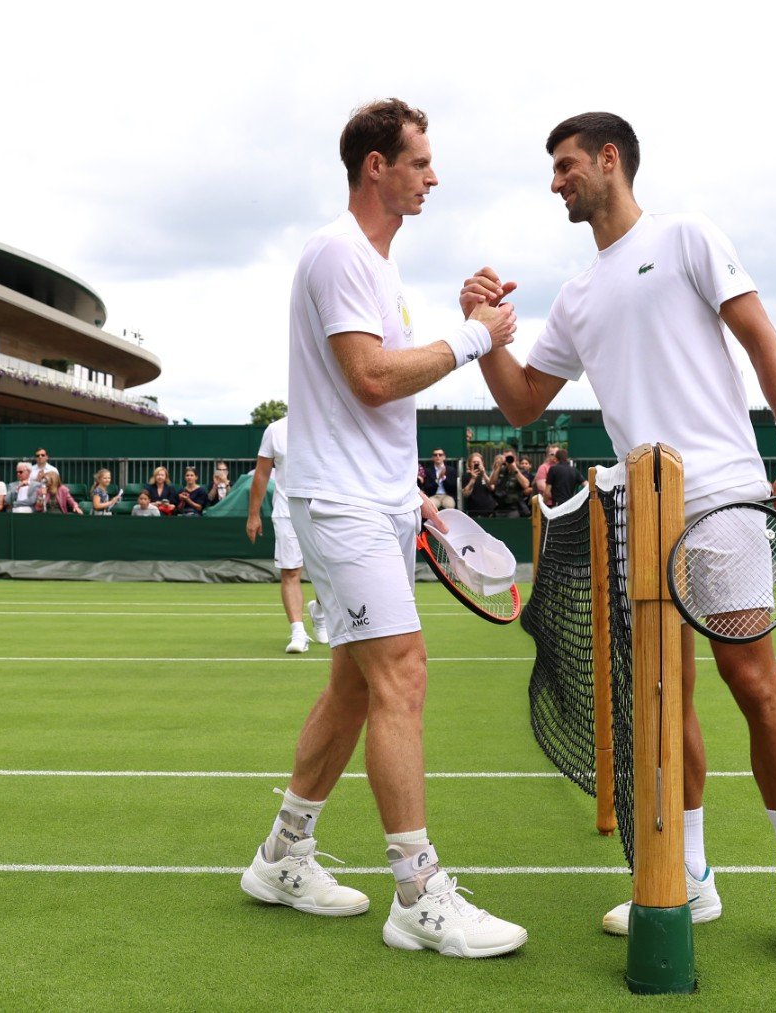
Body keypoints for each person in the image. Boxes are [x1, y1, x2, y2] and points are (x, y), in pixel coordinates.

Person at [465, 110, 776, 973]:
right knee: (665, 701)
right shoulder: (573, 296)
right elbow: (524, 401)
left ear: (610, 159)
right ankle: (693, 874)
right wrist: (486, 332)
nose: (556, 180)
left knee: (752, 681)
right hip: (640, 512)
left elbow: (760, 337)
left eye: (566, 164)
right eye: (552, 170)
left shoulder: (687, 236)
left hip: (721, 500)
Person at [242, 98, 526, 959]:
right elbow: (368, 378)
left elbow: (366, 409)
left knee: (357, 685)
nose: (432, 175)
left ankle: (283, 854)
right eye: (419, 161)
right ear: (377, 166)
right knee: (402, 672)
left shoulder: (373, 267)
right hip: (341, 508)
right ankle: (418, 891)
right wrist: (473, 338)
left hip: (376, 501)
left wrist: (419, 497)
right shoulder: (337, 252)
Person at [248, 415, 326, 654]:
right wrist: (253, 514)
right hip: (286, 511)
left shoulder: (333, 423)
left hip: (328, 511)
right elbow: (261, 473)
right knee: (291, 571)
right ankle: (298, 632)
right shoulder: (276, 429)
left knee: (332, 571)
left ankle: (320, 612)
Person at [458, 452, 499, 516]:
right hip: (474, 510)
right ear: (469, 464)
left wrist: (484, 474)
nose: (476, 464)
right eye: (474, 462)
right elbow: (465, 494)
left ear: (482, 463)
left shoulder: (487, 474)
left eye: (478, 462)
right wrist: (473, 479)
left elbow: (492, 488)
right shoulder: (466, 476)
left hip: (489, 509)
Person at [491, 452, 532, 516]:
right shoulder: (501, 470)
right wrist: (498, 467)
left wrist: (514, 468)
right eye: (506, 458)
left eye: (510, 457)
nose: (508, 460)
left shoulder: (521, 472)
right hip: (500, 506)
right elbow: (492, 482)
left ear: (515, 459)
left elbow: (526, 485)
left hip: (514, 507)